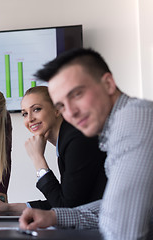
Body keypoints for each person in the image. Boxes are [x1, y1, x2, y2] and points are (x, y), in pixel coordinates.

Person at [19, 48, 153, 240]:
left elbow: (123, 232)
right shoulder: (116, 129)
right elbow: (111, 206)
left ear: (108, 84)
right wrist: (54, 216)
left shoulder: (134, 120)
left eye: (77, 94)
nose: (70, 113)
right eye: (61, 105)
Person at [0, 86, 106, 216]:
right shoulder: (68, 139)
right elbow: (63, 200)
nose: (30, 119)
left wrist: (38, 159)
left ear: (57, 109)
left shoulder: (77, 140)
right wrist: (8, 208)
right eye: (25, 114)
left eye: (36, 109)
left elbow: (66, 208)